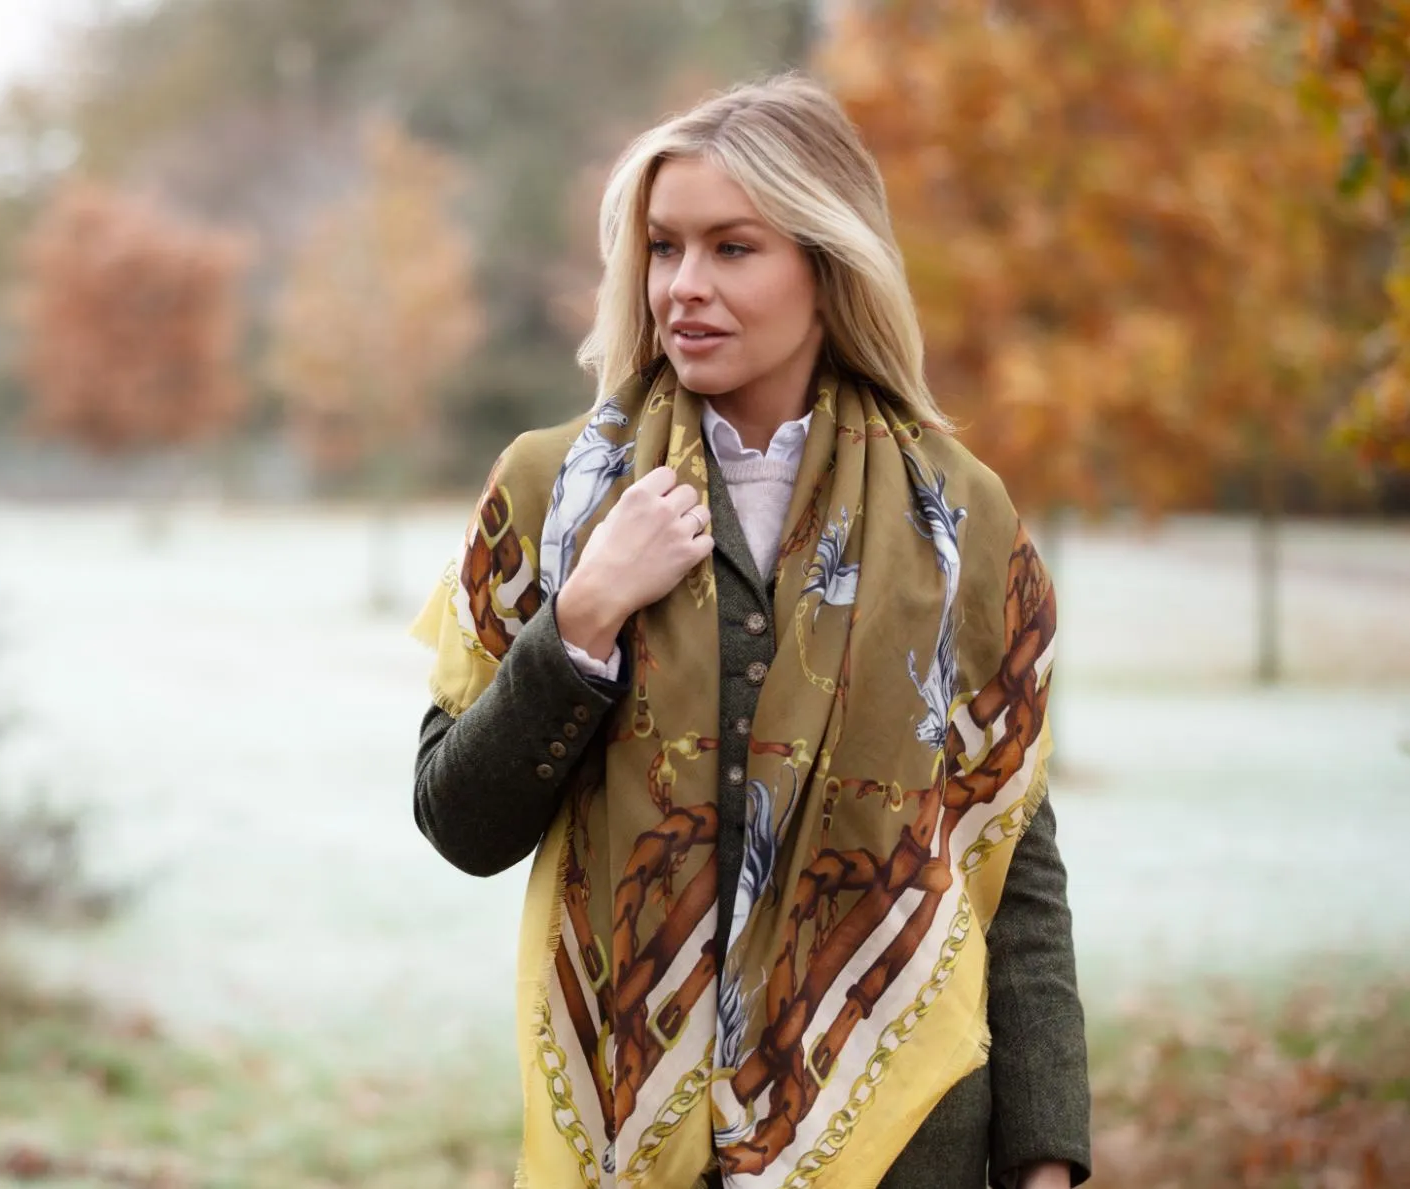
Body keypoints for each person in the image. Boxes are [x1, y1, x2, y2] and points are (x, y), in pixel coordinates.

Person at [409, 75, 1090, 1189]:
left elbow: (1010, 864)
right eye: (663, 247)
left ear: (827, 266)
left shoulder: (961, 517)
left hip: (901, 1141)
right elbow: (458, 820)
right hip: (637, 1139)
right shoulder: (553, 491)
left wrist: (1046, 1153)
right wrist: (582, 616)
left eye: (733, 249)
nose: (683, 286)